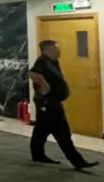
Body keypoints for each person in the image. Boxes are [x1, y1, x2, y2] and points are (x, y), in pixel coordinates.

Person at [28, 40, 99, 170]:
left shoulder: (53, 62)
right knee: (62, 132)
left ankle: (37, 154)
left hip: (51, 102)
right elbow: (32, 74)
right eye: (55, 49)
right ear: (47, 49)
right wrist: (45, 88)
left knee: (41, 130)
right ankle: (78, 161)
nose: (58, 51)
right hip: (48, 103)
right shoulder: (42, 62)